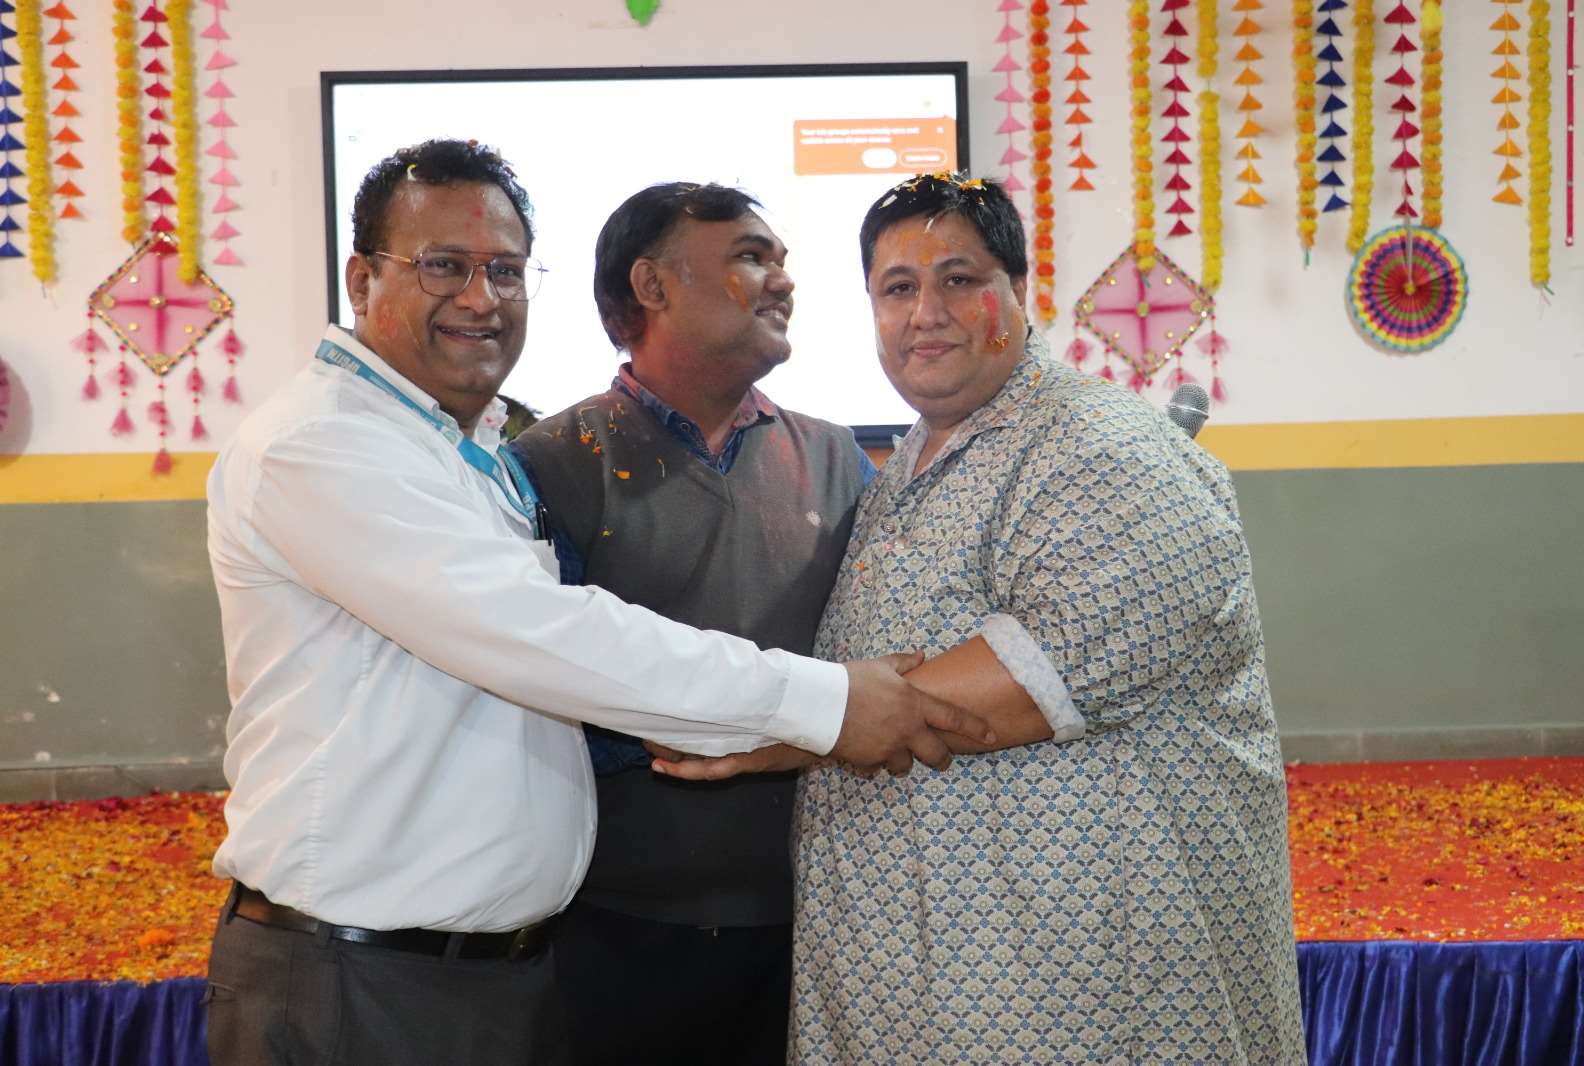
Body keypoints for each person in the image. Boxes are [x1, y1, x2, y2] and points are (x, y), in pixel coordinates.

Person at [200, 142, 990, 1066]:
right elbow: (546, 638)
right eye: (444, 266)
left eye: (505, 271)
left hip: (492, 972)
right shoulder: (324, 445)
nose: (481, 298)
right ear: (362, 280)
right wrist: (829, 704)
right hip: (364, 978)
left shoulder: (463, 450)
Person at [656, 173, 1307, 1064]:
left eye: (958, 279)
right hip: (922, 991)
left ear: (1019, 290)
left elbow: (1038, 677)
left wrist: (789, 730)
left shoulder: (1106, 451)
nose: (926, 313)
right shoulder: (908, 466)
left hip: (1085, 999)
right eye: (897, 288)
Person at [513, 182, 875, 1065]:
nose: (783, 280)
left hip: (817, 923)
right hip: (610, 931)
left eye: (782, 259)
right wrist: (739, 730)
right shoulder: (551, 465)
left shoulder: (838, 458)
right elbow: (540, 693)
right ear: (652, 285)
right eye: (751, 256)